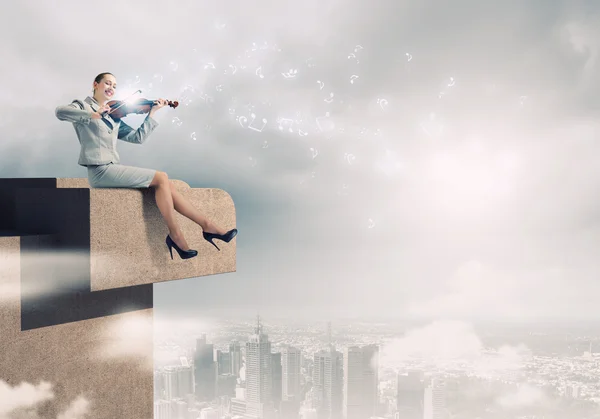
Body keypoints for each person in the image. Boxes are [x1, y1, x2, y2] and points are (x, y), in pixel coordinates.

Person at [55, 72, 237, 260]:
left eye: (115, 85)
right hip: (99, 171)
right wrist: (93, 114)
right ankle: (177, 234)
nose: (111, 88)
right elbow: (60, 112)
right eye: (107, 83)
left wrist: (152, 112)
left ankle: (206, 225)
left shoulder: (114, 114)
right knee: (161, 177)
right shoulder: (83, 106)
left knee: (166, 183)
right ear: (96, 84)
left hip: (112, 168)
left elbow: (138, 138)